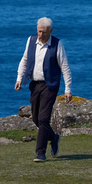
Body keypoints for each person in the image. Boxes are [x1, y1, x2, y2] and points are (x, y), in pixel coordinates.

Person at [15, 17, 73, 163]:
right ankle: (53, 137)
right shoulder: (31, 40)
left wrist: (68, 89)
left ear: (50, 31)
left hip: (50, 85)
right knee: (35, 118)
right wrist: (19, 78)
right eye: (39, 31)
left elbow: (65, 67)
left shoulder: (57, 44)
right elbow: (25, 60)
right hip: (35, 84)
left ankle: (40, 153)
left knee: (43, 118)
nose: (40, 35)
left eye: (43, 32)